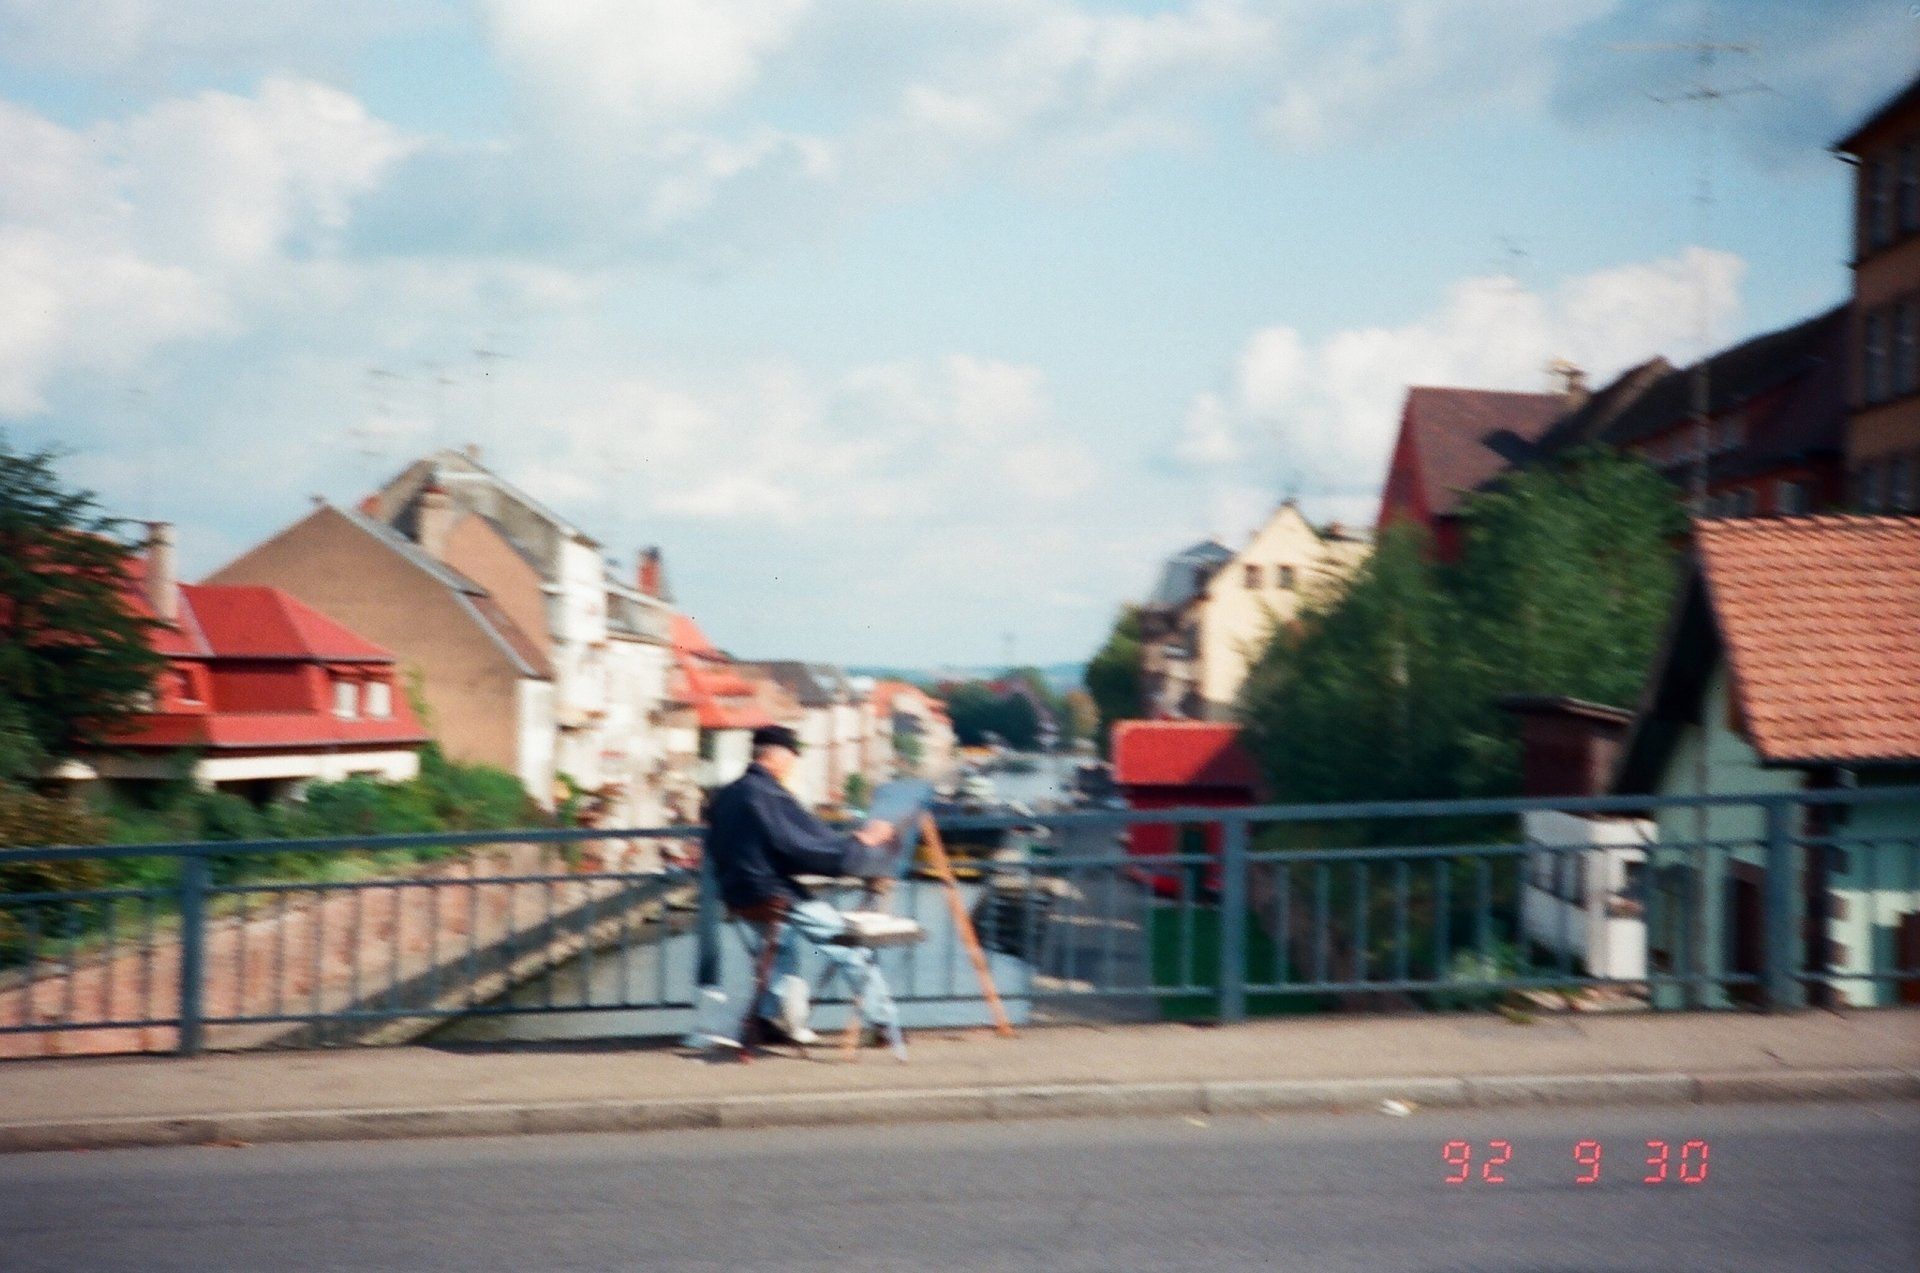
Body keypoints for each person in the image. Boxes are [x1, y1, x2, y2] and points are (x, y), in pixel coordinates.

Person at [703, 724, 902, 1049]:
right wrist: (860, 844)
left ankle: (767, 1020)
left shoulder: (727, 794)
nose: (793, 764)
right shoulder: (768, 794)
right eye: (792, 757)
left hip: (737, 893)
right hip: (772, 894)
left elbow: (761, 846)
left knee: (782, 949)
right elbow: (804, 846)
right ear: (778, 756)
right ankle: (885, 1022)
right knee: (848, 945)